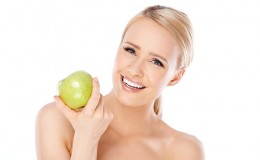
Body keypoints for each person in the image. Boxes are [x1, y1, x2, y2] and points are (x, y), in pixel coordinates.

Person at [35, 5, 204, 160]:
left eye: (156, 62)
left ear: (175, 77)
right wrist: (86, 138)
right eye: (130, 50)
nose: (135, 70)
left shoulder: (184, 151)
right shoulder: (57, 120)